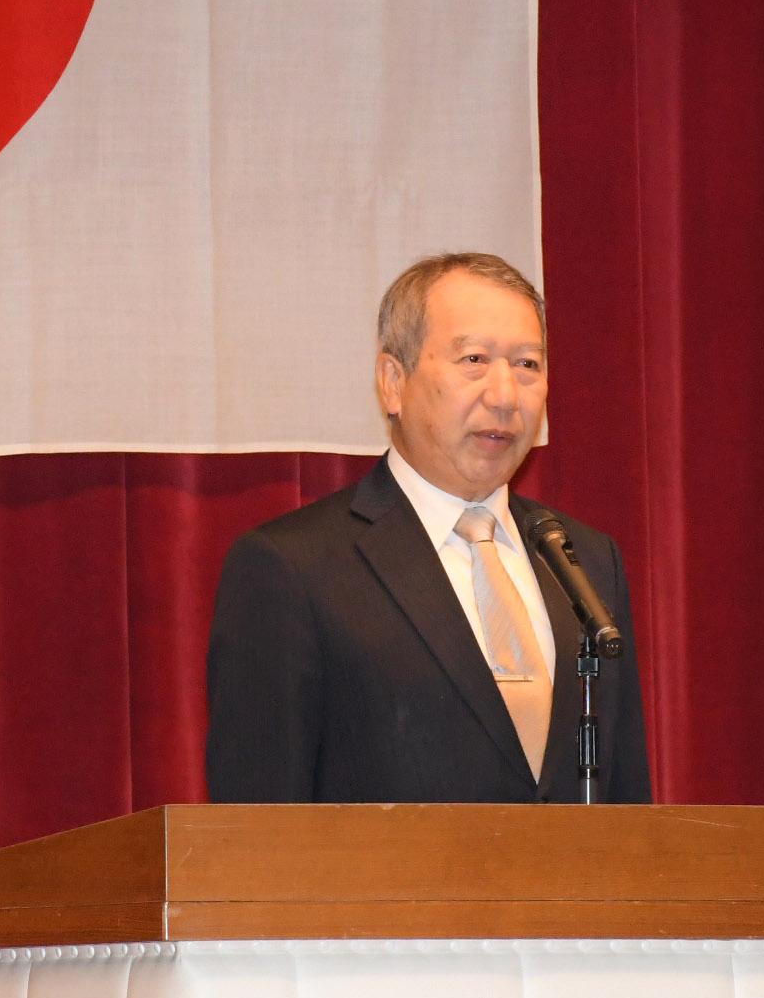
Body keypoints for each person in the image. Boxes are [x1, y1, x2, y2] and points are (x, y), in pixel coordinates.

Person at [203, 252, 652, 803]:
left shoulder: (583, 560)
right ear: (393, 383)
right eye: (474, 359)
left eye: (527, 365)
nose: (505, 396)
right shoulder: (293, 568)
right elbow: (255, 822)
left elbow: (627, 803)